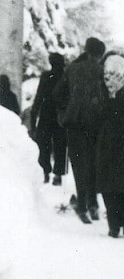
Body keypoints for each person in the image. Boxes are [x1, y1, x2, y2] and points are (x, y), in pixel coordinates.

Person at [53, 37, 107, 223]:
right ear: (98, 55)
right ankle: (93, 204)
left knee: (79, 165)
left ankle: (82, 206)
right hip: (96, 124)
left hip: (75, 123)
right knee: (93, 163)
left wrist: (64, 113)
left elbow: (57, 94)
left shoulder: (72, 68)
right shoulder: (102, 70)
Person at [95, 54, 124, 238]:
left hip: (107, 141)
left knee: (108, 183)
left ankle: (114, 225)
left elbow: (95, 117)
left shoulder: (101, 90)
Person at [30, 53, 68, 184]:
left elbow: (39, 96)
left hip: (46, 112)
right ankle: (58, 174)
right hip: (61, 113)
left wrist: (34, 114)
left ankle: (45, 171)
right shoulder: (65, 76)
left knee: (44, 142)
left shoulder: (46, 76)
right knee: (60, 144)